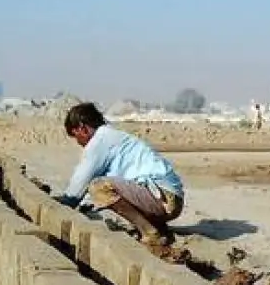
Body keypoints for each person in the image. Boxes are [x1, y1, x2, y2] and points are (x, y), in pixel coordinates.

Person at [56, 102, 187, 261]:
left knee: (99, 187)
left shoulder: (100, 140)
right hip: (167, 198)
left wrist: (62, 204)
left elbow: (80, 183)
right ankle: (158, 227)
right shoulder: (114, 137)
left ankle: (150, 233)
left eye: (76, 136)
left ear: (81, 128)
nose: (78, 143)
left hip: (164, 198)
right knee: (102, 194)